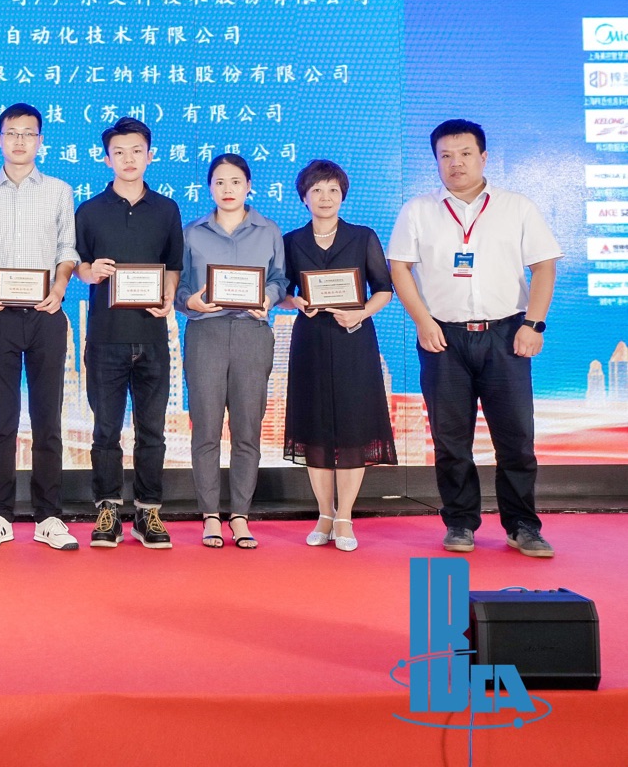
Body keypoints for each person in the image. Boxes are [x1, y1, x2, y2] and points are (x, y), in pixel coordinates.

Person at [388, 120, 561, 558]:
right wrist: (423, 321)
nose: (456, 163)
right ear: (436, 161)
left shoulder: (516, 207)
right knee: (450, 441)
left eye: (465, 153)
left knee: (516, 439)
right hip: (442, 338)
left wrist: (534, 324)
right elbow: (399, 268)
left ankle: (522, 525)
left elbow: (544, 266)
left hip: (506, 335)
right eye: (445, 156)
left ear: (483, 157)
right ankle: (460, 522)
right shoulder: (418, 210)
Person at [0, 103, 80, 551]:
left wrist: (60, 285)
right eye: (11, 133)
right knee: (2, 421)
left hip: (47, 316)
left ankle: (49, 516)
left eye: (28, 133)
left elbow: (67, 248)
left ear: (40, 141)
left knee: (48, 420)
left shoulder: (59, 191)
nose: (19, 141)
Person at [73, 117, 184, 550]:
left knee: (152, 430)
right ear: (107, 159)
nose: (128, 159)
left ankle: (148, 512)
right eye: (119, 152)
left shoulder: (167, 210)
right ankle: (107, 510)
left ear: (150, 155)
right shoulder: (89, 210)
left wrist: (168, 295)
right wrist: (91, 271)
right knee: (105, 430)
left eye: (136, 151)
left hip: (153, 336)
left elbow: (173, 265)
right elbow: (78, 266)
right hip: (105, 337)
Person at [279, 160, 396, 552]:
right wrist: (294, 301)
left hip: (353, 339)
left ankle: (344, 516)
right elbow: (282, 290)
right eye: (316, 190)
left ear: (343, 194)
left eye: (332, 190)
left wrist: (361, 312)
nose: (325, 198)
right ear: (304, 197)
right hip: (310, 339)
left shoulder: (362, 237)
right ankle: (323, 515)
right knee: (313, 426)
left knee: (352, 426)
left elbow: (384, 288)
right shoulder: (292, 240)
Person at [177, 154, 288, 549]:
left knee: (247, 429)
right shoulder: (192, 233)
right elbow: (179, 287)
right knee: (205, 428)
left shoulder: (268, 230)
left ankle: (240, 514)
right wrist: (190, 302)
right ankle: (209, 515)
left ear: (248, 186)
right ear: (209, 187)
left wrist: (269, 298)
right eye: (220, 182)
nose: (228, 189)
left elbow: (280, 280)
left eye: (236, 181)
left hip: (251, 334)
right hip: (205, 333)